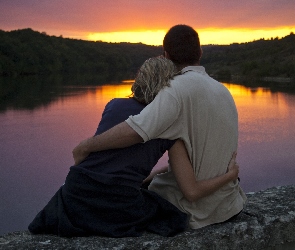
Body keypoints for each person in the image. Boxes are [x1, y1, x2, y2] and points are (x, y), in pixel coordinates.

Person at [28, 57, 240, 238]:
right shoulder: (169, 124)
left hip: (76, 191)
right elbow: (191, 191)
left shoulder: (113, 104)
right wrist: (230, 175)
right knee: (172, 215)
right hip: (116, 202)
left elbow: (115, 161)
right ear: (170, 85)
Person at [72, 25, 247, 229]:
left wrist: (86, 146)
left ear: (166, 55)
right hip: (228, 205)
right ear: (200, 52)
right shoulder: (223, 91)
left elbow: (135, 130)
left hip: (195, 212)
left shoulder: (175, 90)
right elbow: (194, 161)